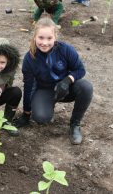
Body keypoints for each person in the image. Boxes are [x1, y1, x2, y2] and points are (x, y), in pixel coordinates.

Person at [14, 17, 93, 145]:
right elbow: (28, 86)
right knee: (40, 117)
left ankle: (75, 124)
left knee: (86, 87)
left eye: (49, 38)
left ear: (55, 36)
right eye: (41, 38)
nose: (44, 43)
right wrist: (26, 113)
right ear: (35, 37)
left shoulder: (66, 49)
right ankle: (48, 104)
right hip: (45, 90)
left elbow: (80, 70)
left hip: (66, 89)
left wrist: (67, 80)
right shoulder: (29, 58)